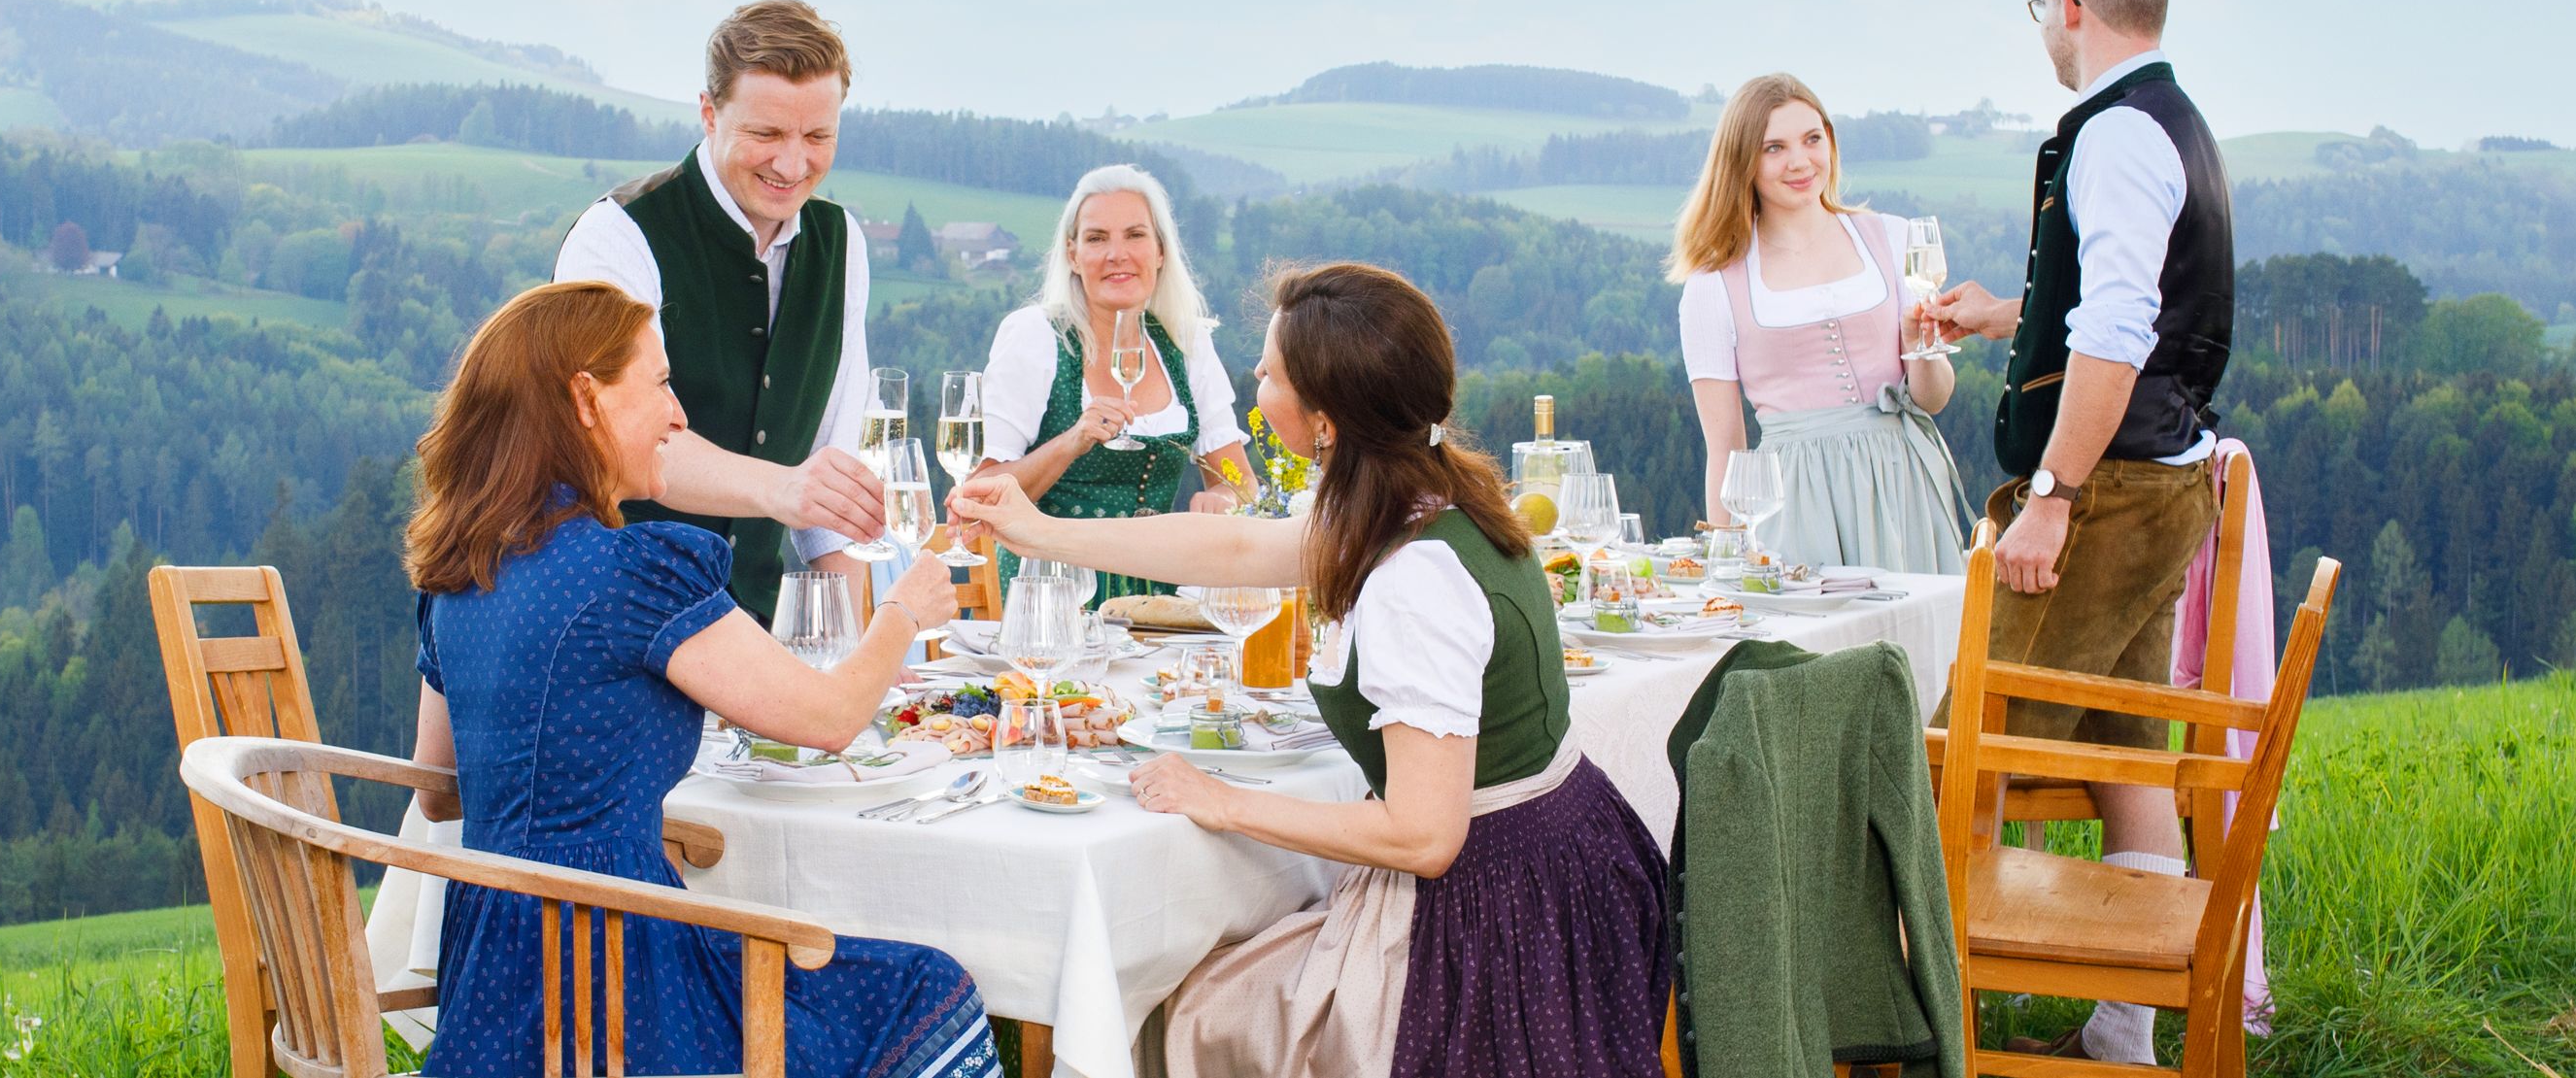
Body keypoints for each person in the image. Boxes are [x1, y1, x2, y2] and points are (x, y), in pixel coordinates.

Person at [953, 263, 1669, 1078]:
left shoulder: (1412, 577)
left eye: (1269, 371)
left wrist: (1223, 800)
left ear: (1324, 420)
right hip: (1562, 873)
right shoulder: (1428, 492)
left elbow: (1425, 835)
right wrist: (1036, 531)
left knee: (1196, 1013)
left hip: (1492, 920)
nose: (1253, 378)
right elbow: (1235, 548)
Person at [405, 282, 991, 1078]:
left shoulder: (459, 571)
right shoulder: (629, 572)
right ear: (586, 398)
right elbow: (829, 716)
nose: (678, 414)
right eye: (658, 383)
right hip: (621, 986)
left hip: (492, 988)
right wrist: (903, 608)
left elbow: (439, 788)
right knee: (927, 986)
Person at [1920, 0, 2232, 1067]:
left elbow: (2114, 333)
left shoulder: (2110, 134)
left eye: (2039, 11)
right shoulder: (2174, 121)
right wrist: (2005, 312)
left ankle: (1934, 1023)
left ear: (2070, 8)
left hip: (2102, 493)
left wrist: (2049, 488)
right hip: (2164, 482)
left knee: (1970, 750)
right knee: (2122, 747)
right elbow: (2115, 307)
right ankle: (2123, 1030)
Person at [556, 0, 885, 623]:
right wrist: (783, 487)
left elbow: (834, 466)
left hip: (754, 635)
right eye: (765, 134)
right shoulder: (618, 236)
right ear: (708, 114)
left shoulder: (843, 244)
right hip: (610, 624)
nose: (793, 164)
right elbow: (619, 442)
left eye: (818, 137)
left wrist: (851, 662)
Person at [1668, 73, 1968, 572]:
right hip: (1792, 505)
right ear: (1743, 162)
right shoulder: (1712, 285)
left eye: (1812, 139)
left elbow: (1932, 399)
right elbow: (1725, 446)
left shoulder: (1893, 240)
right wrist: (1725, 566)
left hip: (1905, 485)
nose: (1801, 161)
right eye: (1774, 147)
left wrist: (1922, 347)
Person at [971, 163, 1255, 604]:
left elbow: (1239, 482)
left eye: (1135, 235)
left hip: (1158, 603)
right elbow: (984, 493)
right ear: (1072, 254)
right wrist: (1071, 441)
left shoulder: (1186, 342)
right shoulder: (1036, 336)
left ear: (1160, 251)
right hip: (1052, 601)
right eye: (1097, 238)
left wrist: (1224, 498)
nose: (1116, 254)